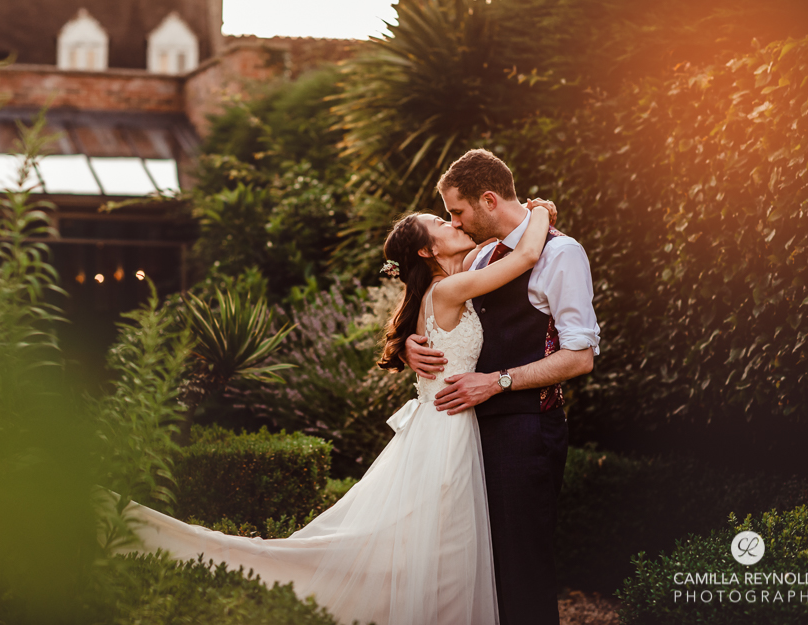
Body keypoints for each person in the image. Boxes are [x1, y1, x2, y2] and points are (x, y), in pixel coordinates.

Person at [118, 199, 558, 625]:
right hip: (446, 431)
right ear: (428, 251)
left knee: (429, 550)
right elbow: (526, 254)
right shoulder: (448, 288)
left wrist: (407, 345)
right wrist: (541, 210)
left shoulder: (448, 280)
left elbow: (495, 248)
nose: (453, 223)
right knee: (444, 550)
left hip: (440, 424)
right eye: (442, 224)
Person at [405, 149, 601, 625]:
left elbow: (580, 356)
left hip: (526, 432)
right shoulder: (481, 256)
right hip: (466, 434)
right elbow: (441, 317)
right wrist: (413, 345)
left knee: (521, 569)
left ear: (488, 200)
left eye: (458, 212)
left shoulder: (559, 253)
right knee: (473, 569)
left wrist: (497, 382)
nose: (456, 222)